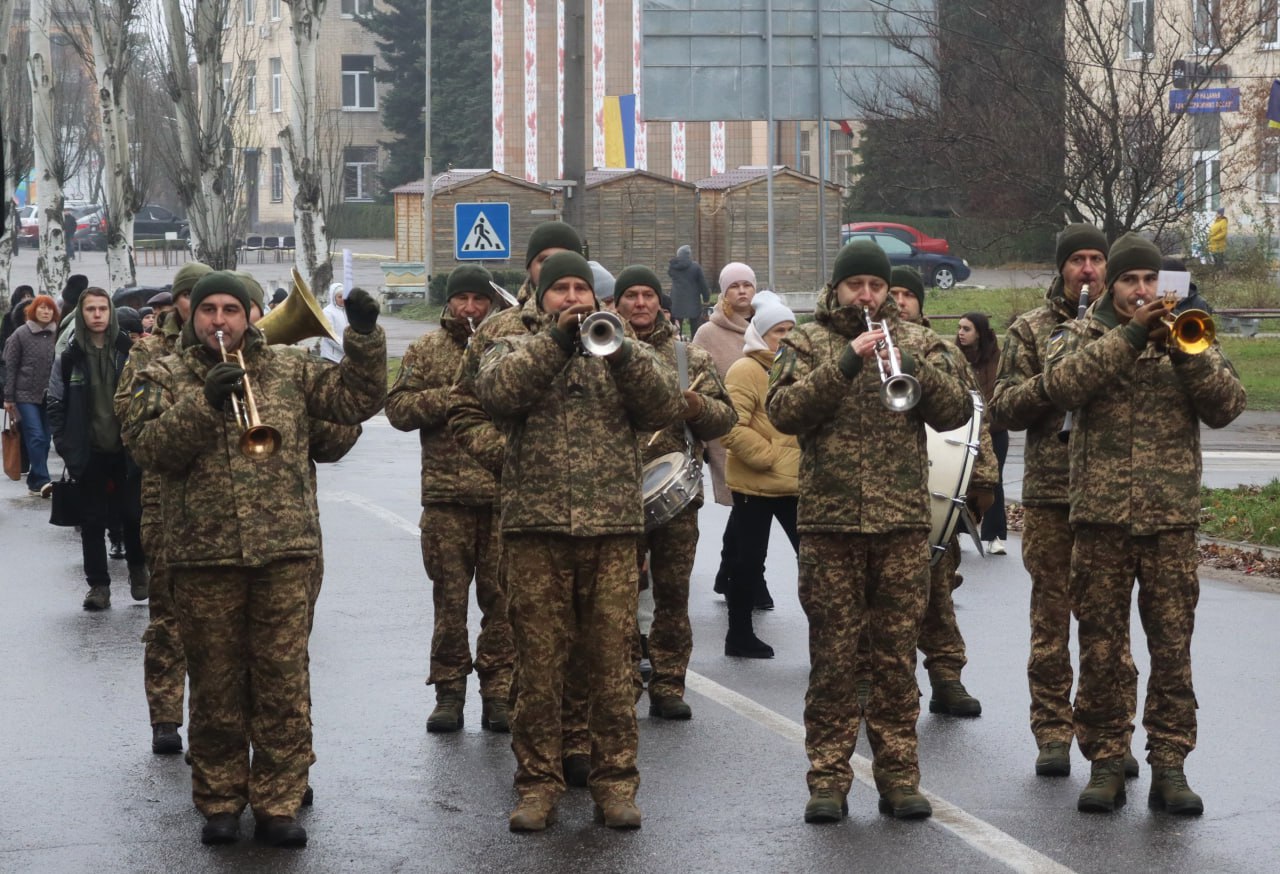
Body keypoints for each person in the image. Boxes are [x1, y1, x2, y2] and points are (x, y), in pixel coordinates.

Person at [121, 271, 386, 847]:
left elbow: (358, 400)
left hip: (283, 552)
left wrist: (364, 335)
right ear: (193, 317)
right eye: (210, 310)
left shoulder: (290, 369)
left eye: (232, 310)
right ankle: (219, 798)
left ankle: (278, 801)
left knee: (282, 683)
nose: (221, 321)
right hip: (203, 554)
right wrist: (202, 404)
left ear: (249, 316)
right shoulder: (157, 371)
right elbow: (147, 449)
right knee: (215, 685)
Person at [471, 251, 682, 832]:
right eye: (559, 290)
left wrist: (619, 351)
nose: (571, 299)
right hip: (535, 531)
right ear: (542, 300)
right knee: (538, 668)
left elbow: (665, 402)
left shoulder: (620, 346)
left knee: (613, 666)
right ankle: (537, 785)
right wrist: (558, 343)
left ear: (598, 298)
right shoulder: (513, 345)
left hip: (611, 531)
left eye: (580, 290)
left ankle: (615, 785)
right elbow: (495, 396)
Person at [767, 239, 970, 823]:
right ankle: (828, 781)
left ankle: (899, 778)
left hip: (901, 525)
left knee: (894, 658)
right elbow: (783, 413)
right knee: (832, 659)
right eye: (857, 285)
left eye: (876, 287)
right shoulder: (804, 342)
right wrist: (848, 360)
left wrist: (915, 362)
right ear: (837, 289)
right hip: (830, 525)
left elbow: (956, 411)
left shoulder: (917, 340)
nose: (867, 295)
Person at [1041, 232, 1245, 815]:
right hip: (1100, 522)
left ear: (1165, 284)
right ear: (1111, 284)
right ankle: (1106, 762)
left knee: (1172, 650)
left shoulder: (1193, 333)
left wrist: (1184, 351)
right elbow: (1060, 386)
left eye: (1149, 280)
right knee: (1103, 651)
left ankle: (1171, 765)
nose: (1141, 290)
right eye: (1130, 280)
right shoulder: (1079, 334)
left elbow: (1228, 405)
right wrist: (1131, 337)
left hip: (1170, 521)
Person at [990, 223, 1139, 779]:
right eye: (1076, 260)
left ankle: (1111, 735)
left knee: (1109, 629)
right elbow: (1003, 408)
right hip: (1053, 495)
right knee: (1050, 623)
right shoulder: (1030, 329)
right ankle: (1051, 731)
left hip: (1108, 497)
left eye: (1096, 259)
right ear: (1061, 268)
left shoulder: (1135, 326)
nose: (1087, 270)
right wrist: (1054, 385)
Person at [858, 267, 995, 718]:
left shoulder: (942, 352)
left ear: (920, 302)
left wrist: (984, 478)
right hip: (869, 496)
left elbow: (974, 416)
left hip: (929, 497)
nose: (900, 301)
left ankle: (946, 677)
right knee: (866, 596)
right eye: (891, 292)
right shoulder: (860, 346)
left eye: (906, 294)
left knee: (938, 592)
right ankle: (867, 679)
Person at [385, 265, 514, 734]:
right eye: (461, 299)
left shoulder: (509, 345)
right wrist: (455, 397)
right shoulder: (427, 348)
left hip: (503, 496)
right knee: (449, 603)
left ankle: (499, 691)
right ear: (448, 303)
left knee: (503, 603)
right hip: (445, 499)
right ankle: (449, 692)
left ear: (492, 303)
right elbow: (397, 409)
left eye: (478, 300)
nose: (469, 308)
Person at [612, 264, 736, 716]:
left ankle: (668, 683)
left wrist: (697, 406)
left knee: (672, 593)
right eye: (631, 296)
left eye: (647, 295)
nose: (640, 303)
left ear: (659, 302)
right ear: (617, 303)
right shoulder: (599, 348)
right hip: (612, 495)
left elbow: (726, 418)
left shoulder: (689, 356)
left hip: (676, 496)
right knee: (618, 595)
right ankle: (623, 682)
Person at [113, 261, 213, 756]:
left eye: (207, 296)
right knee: (169, 615)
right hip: (164, 501)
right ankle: (167, 715)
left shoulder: (231, 346)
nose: (198, 307)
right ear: (174, 302)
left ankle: (217, 725)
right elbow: (127, 416)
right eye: (189, 297)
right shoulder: (149, 352)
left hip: (222, 503)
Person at [47, 287, 147, 609]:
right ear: (81, 314)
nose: (98, 315)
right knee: (92, 521)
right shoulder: (69, 357)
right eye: (90, 309)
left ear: (111, 312)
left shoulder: (129, 352)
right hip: (88, 452)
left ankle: (137, 568)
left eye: (103, 308)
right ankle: (99, 587)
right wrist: (66, 446)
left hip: (128, 450)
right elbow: (55, 403)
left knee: (133, 514)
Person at [718, 292, 799, 659]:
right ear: (761, 334)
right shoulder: (745, 369)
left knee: (816, 562)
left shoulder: (799, 368)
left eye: (789, 330)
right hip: (756, 483)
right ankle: (739, 635)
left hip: (795, 484)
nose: (784, 337)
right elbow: (730, 425)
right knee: (748, 562)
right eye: (777, 330)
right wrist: (769, 457)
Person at [692, 262, 759, 596]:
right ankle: (747, 580)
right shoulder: (708, 333)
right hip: (727, 431)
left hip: (768, 431)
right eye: (734, 286)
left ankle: (729, 571)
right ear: (724, 292)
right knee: (744, 504)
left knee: (753, 507)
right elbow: (699, 382)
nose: (742, 291)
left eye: (748, 284)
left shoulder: (768, 323)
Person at [955, 311, 1007, 555]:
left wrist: (991, 418)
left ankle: (994, 535)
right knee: (958, 481)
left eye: (966, 329)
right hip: (963, 429)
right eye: (959, 328)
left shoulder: (998, 358)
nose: (960, 333)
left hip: (993, 430)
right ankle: (956, 531)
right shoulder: (953, 357)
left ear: (980, 333)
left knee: (993, 481)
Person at [4, 294, 59, 497]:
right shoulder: (21, 334)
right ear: (33, 311)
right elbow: (11, 366)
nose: (46, 312)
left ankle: (35, 480)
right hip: (24, 394)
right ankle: (44, 480)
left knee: (45, 439)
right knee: (35, 435)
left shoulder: (57, 334)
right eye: (41, 308)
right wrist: (9, 397)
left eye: (49, 308)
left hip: (49, 394)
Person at [515, 221, 585, 303]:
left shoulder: (599, 314)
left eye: (564, 261)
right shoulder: (507, 314)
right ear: (529, 267)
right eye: (545, 261)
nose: (553, 267)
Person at [667, 244, 711, 338]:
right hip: (693, 300)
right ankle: (695, 345)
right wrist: (706, 298)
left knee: (677, 328)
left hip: (677, 300)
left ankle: (677, 347)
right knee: (695, 327)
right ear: (688, 255)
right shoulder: (695, 267)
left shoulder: (673, 267)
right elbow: (703, 284)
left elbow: (670, 274)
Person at [319, 283, 349, 362]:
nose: (342, 299)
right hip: (331, 356)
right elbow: (330, 336)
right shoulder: (327, 312)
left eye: (344, 296)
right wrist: (346, 347)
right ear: (333, 297)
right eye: (339, 297)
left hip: (345, 355)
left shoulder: (347, 310)